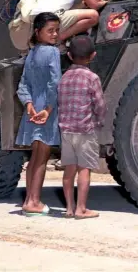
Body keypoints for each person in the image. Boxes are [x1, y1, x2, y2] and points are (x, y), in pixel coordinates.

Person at [15, 12, 62, 216]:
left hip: (33, 109)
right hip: (46, 111)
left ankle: (28, 201)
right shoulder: (52, 53)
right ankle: (34, 201)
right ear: (38, 31)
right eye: (50, 31)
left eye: (57, 31)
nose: (54, 35)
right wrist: (48, 110)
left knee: (34, 158)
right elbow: (55, 83)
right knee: (42, 158)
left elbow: (23, 84)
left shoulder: (31, 54)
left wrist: (29, 105)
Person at [58, 35, 106, 220]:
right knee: (84, 169)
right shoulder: (92, 77)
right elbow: (99, 104)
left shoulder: (64, 78)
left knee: (69, 170)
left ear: (69, 55)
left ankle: (69, 208)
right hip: (86, 130)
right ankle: (82, 209)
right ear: (93, 55)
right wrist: (100, 120)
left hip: (66, 131)